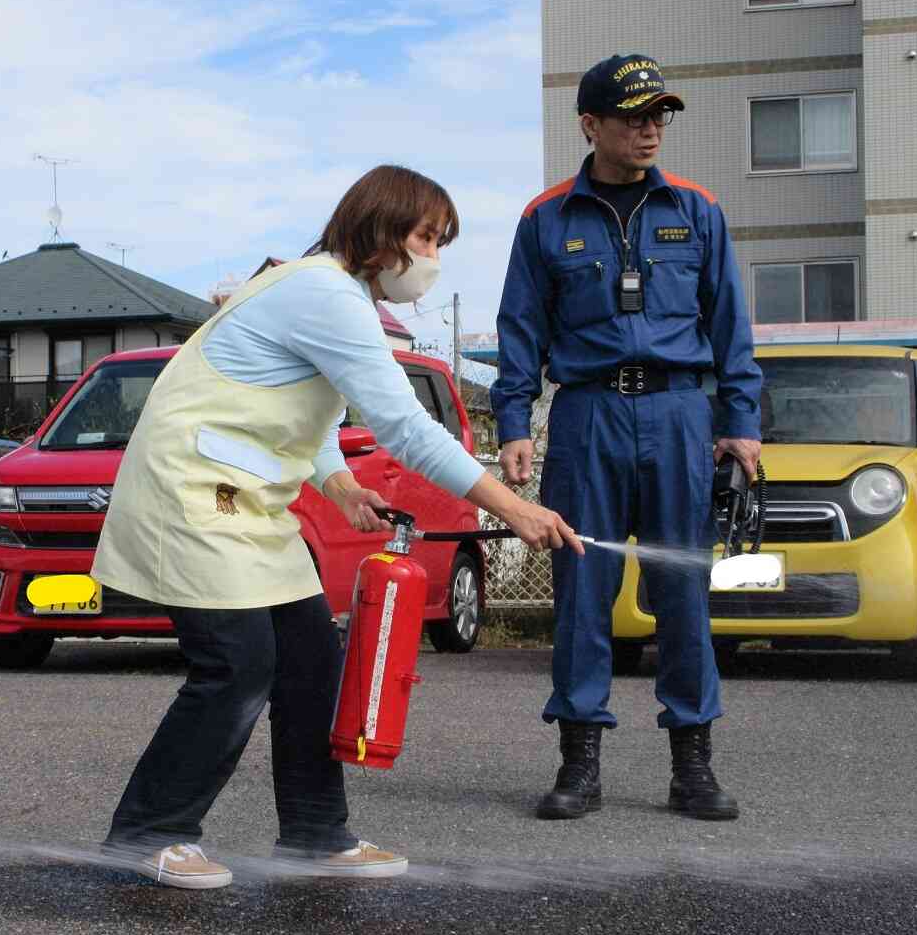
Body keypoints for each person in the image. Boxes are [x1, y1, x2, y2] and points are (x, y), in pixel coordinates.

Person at [91, 165, 586, 889]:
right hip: (190, 493)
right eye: (425, 237)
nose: (432, 259)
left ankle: (314, 836)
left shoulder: (323, 290)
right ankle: (147, 833)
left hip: (244, 504)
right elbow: (406, 428)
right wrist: (510, 506)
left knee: (311, 663)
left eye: (439, 242)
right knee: (237, 666)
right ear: (380, 230)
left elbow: (299, 402)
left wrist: (339, 483)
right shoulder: (323, 292)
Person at [491, 55, 763, 822]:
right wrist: (515, 422)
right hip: (584, 418)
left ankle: (693, 767)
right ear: (590, 124)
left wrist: (739, 423)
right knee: (582, 594)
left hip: (679, 414)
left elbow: (729, 327)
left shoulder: (697, 208)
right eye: (633, 116)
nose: (649, 130)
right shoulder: (545, 218)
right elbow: (519, 329)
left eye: (658, 116)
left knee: (682, 592)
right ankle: (578, 766)